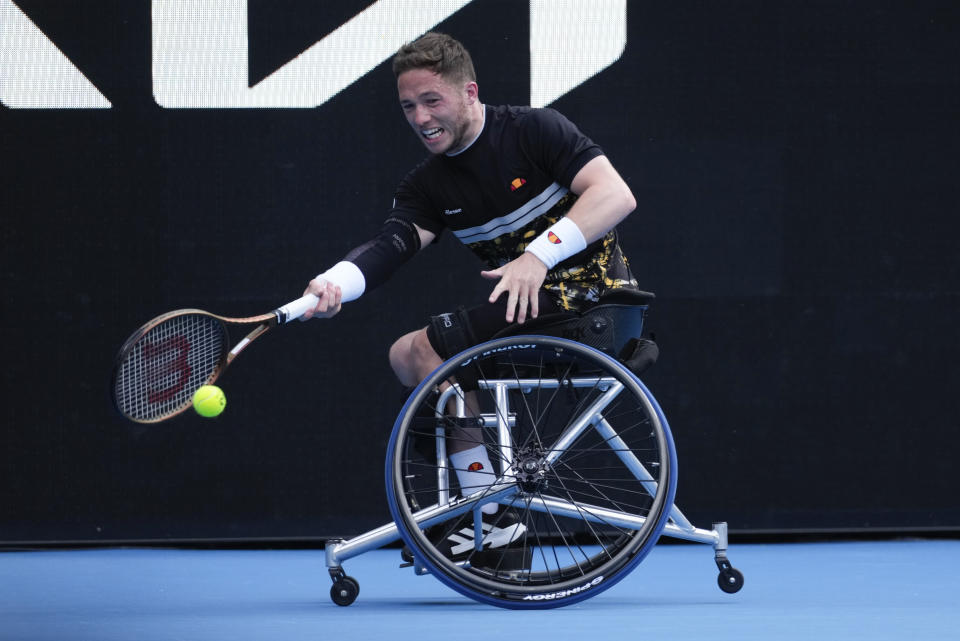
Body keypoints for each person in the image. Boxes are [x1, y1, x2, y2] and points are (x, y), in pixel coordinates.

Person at [301, 32, 641, 552]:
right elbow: (390, 246)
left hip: (595, 304)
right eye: (408, 106)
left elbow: (615, 194)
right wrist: (333, 284)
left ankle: (490, 508)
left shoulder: (534, 131)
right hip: (533, 312)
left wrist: (537, 256)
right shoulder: (427, 185)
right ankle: (488, 505)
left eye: (431, 100)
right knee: (414, 359)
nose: (420, 118)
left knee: (423, 351)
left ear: (469, 93)